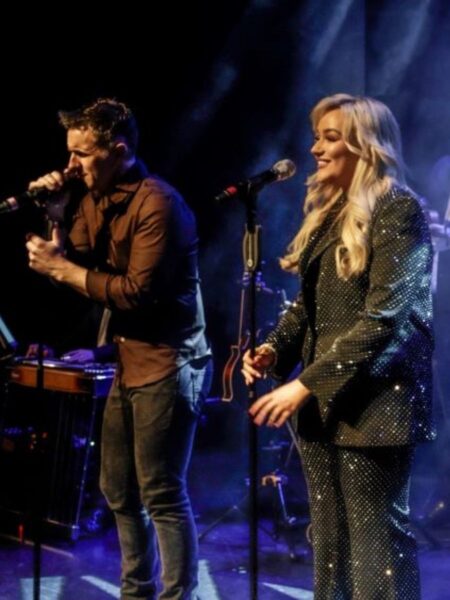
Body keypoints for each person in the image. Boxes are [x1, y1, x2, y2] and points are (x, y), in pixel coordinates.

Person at [242, 93, 434, 599]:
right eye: (317, 137)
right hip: (325, 407)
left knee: (377, 552)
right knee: (329, 545)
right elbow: (307, 308)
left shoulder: (399, 209)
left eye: (331, 138)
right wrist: (274, 351)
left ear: (365, 145)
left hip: (376, 406)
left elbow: (385, 320)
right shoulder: (332, 213)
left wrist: (302, 385)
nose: (315, 149)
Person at [25, 98, 212, 600]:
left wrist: (61, 268)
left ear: (119, 150)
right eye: (70, 154)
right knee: (118, 490)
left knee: (162, 492)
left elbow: (134, 291)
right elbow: (79, 260)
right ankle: (137, 592)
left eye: (82, 155)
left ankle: (179, 595)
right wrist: (57, 215)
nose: (71, 166)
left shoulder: (159, 204)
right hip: (128, 360)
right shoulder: (93, 196)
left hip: (169, 362)